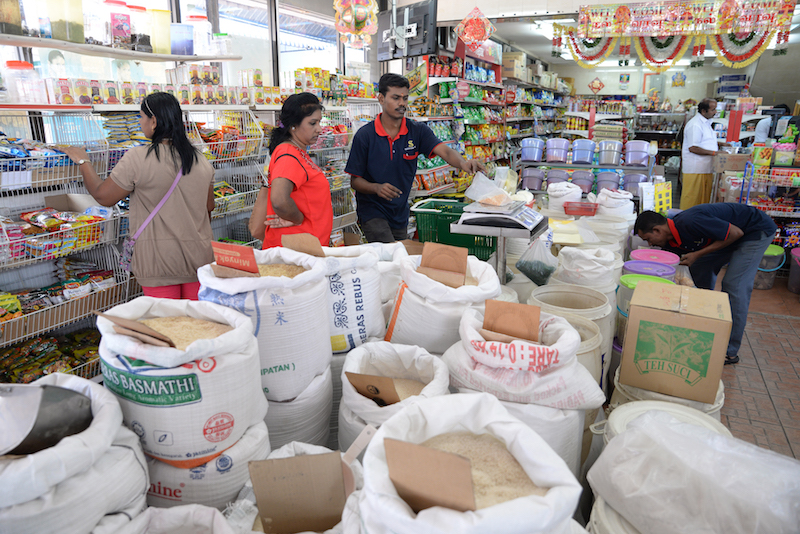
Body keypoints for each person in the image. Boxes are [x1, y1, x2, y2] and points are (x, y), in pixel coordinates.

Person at [62, 92, 215, 300]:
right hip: (199, 257)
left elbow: (103, 196)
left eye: (141, 117)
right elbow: (208, 207)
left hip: (158, 261)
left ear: (154, 121)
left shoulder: (138, 158)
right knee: (193, 326)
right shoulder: (200, 160)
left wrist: (83, 162)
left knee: (165, 326)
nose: (140, 122)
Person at [345, 73, 486, 243]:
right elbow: (355, 181)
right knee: (390, 253)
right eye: (396, 98)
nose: (402, 103)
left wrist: (463, 163)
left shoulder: (417, 131)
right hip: (372, 210)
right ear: (381, 99)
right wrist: (376, 188)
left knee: (400, 256)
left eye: (405, 98)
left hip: (400, 210)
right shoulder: (365, 136)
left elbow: (446, 152)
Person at [634, 204, 777, 365]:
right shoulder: (670, 240)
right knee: (699, 268)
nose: (650, 245)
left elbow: (735, 233)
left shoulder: (690, 222)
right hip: (731, 236)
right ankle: (704, 322)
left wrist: (697, 254)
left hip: (754, 230)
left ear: (657, 230)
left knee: (734, 284)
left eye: (648, 239)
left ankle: (729, 350)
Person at [249, 92, 332, 248]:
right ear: (293, 125)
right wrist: (298, 219)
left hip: (302, 248)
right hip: (295, 252)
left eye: (319, 122)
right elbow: (280, 200)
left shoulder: (296, 151)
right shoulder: (288, 154)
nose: (319, 129)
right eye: (312, 123)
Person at [680, 98, 724, 210]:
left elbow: (705, 142)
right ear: (704, 111)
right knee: (691, 200)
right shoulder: (695, 124)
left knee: (703, 202)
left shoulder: (706, 123)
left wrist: (722, 144)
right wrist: (715, 153)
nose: (715, 112)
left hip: (705, 169)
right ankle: (684, 224)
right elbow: (693, 147)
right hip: (695, 169)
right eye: (713, 109)